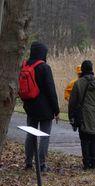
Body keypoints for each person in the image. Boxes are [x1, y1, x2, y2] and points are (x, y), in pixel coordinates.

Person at [23, 41, 60, 172]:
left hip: (30, 107)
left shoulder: (26, 65)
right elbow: (51, 90)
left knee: (30, 135)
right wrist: (56, 110)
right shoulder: (44, 67)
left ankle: (28, 162)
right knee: (44, 135)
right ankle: (41, 164)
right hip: (45, 109)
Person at [68, 60, 95, 170]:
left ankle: (86, 163)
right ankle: (94, 162)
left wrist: (71, 116)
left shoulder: (78, 83)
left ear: (82, 70)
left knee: (84, 140)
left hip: (83, 116)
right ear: (92, 68)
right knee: (94, 139)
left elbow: (72, 102)